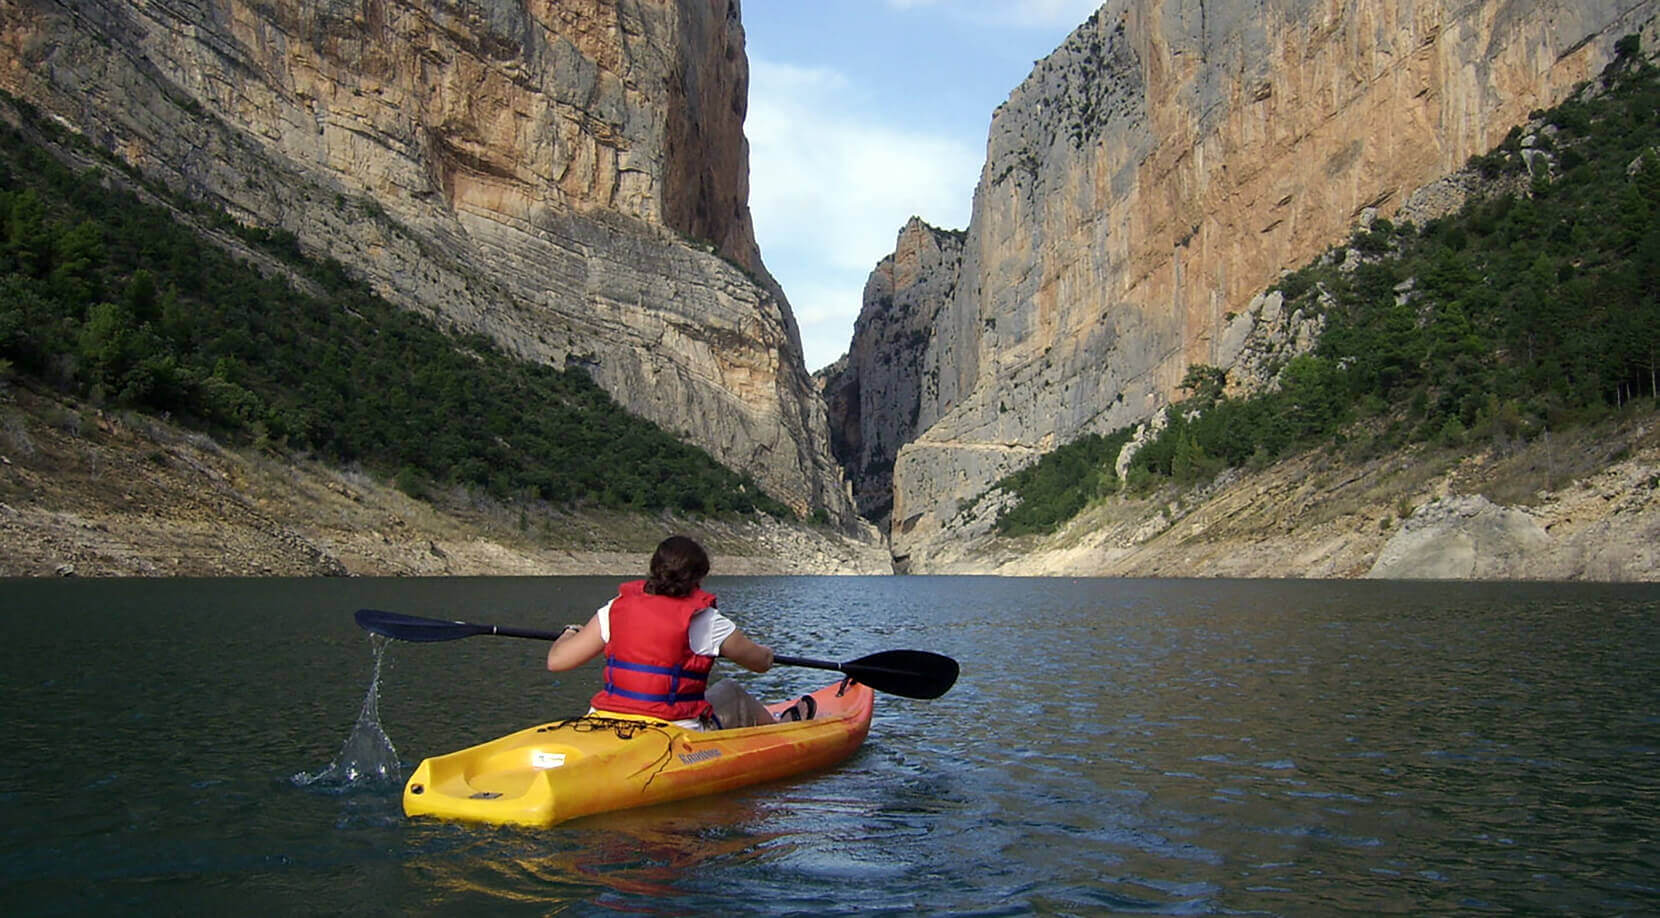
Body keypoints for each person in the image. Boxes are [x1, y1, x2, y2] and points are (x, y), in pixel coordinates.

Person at [545, 535, 812, 728]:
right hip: (674, 728)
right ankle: (778, 729)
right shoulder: (707, 620)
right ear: (698, 578)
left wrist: (570, 633)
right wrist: (767, 652)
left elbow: (557, 661)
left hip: (606, 719)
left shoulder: (615, 608)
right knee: (732, 692)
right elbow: (761, 663)